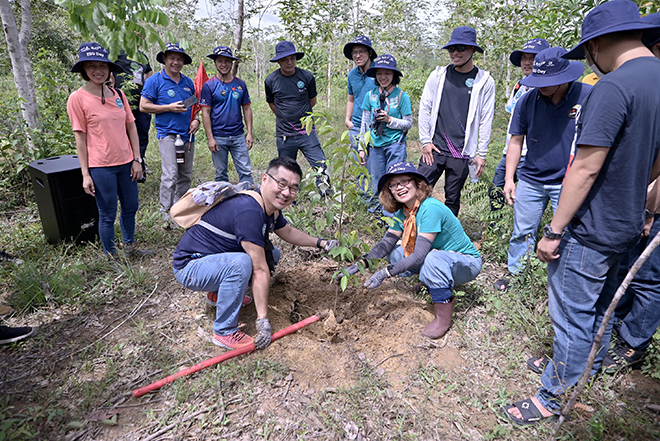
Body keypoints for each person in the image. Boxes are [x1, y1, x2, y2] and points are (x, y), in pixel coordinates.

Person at [504, 0, 660, 425]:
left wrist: (554, 230)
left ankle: (552, 398)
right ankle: (583, 366)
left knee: (573, 313)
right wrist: (643, 204)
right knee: (603, 306)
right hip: (627, 223)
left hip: (592, 226)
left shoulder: (613, 87)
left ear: (597, 44)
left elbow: (587, 165)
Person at [172, 157, 339, 350]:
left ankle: (218, 295)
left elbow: (287, 232)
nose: (286, 192)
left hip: (212, 259)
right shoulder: (250, 211)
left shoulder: (267, 206)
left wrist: (321, 243)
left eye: (293, 188)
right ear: (265, 179)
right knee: (242, 264)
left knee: (272, 254)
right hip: (190, 266)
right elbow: (259, 270)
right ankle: (224, 331)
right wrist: (263, 322)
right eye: (282, 184)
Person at [340, 162, 481, 339]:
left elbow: (420, 255)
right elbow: (386, 244)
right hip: (439, 257)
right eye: (394, 184)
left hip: (465, 263)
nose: (400, 187)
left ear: (417, 184)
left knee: (432, 259)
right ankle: (432, 280)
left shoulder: (430, 209)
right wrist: (360, 264)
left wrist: (384, 273)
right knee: (394, 252)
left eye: (405, 181)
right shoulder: (404, 212)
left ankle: (442, 318)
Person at [494, 47, 592, 292]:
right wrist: (509, 178)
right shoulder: (527, 100)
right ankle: (518, 278)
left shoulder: (587, 96)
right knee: (523, 231)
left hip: (569, 181)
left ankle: (561, 285)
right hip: (532, 178)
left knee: (567, 235)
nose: (542, 86)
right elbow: (516, 140)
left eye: (549, 81)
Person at [603, 13, 660, 374]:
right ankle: (614, 330)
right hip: (639, 200)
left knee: (650, 276)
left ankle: (633, 343)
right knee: (627, 268)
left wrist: (650, 209)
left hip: (650, 204)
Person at [67, 42, 148, 257]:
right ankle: (110, 254)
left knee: (131, 206)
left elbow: (131, 126)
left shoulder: (118, 95)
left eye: (102, 66)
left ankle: (129, 247)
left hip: (126, 162)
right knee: (107, 213)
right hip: (101, 166)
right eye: (91, 66)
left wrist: (137, 159)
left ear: (109, 69)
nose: (98, 71)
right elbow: (80, 138)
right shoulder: (77, 99)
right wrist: (85, 174)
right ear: (84, 70)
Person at [417, 26, 495, 216]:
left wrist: (481, 153)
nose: (455, 53)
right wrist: (425, 141)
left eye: (461, 48)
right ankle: (410, 232)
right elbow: (425, 108)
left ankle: (446, 237)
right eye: (452, 49)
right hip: (434, 148)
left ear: (473, 50)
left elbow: (486, 118)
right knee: (418, 192)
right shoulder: (438, 75)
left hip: (462, 152)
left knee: (452, 197)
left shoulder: (484, 81)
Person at [140, 42, 200, 223]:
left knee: (185, 174)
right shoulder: (154, 81)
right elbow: (143, 106)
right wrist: (168, 108)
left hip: (187, 135)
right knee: (170, 173)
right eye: (172, 58)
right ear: (164, 59)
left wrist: (196, 119)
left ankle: (180, 208)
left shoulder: (188, 82)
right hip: (167, 134)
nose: (176, 62)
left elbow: (193, 106)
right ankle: (165, 210)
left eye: (180, 59)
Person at [489, 38, 549, 211]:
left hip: (530, 155)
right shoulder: (519, 85)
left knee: (524, 199)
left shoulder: (547, 89)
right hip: (510, 152)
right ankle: (496, 231)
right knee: (496, 190)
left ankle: (521, 232)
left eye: (533, 58)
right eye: (524, 58)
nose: (527, 62)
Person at [265, 41, 330, 196]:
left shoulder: (306, 76)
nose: (289, 62)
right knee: (286, 170)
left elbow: (312, 101)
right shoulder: (271, 80)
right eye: (285, 59)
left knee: (320, 164)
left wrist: (302, 118)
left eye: (292, 58)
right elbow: (272, 103)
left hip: (307, 132)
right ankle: (288, 199)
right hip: (285, 134)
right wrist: (285, 117)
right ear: (279, 61)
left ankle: (326, 195)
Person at [358, 54, 413, 213]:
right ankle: (375, 215)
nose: (383, 77)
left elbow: (408, 123)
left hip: (395, 145)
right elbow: (365, 123)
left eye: (388, 73)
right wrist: (362, 147)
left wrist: (390, 120)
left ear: (394, 75)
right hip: (375, 145)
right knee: (376, 182)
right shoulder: (370, 95)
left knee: (394, 182)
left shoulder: (402, 96)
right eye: (380, 73)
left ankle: (392, 218)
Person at [200, 46, 254, 184]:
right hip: (218, 137)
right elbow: (205, 112)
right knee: (221, 173)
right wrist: (210, 138)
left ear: (232, 63)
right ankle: (222, 202)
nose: (223, 64)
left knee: (245, 171)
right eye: (220, 61)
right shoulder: (209, 85)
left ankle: (250, 200)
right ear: (215, 63)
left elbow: (247, 109)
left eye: (227, 61)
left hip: (238, 135)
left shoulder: (240, 84)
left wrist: (249, 133)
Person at [114, 50, 153, 175]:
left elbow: (149, 72)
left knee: (142, 134)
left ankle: (140, 165)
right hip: (121, 102)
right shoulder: (116, 53)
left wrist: (147, 87)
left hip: (140, 103)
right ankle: (125, 167)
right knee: (123, 135)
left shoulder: (142, 56)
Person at [344, 36, 377, 154]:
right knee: (358, 165)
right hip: (356, 126)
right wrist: (348, 120)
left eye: (361, 51)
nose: (357, 56)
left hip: (375, 127)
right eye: (355, 52)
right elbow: (351, 99)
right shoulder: (352, 75)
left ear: (370, 53)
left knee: (373, 165)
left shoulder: (379, 72)